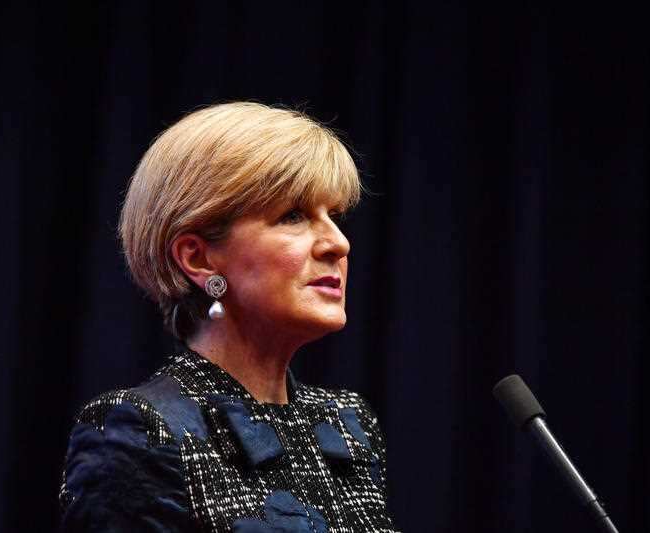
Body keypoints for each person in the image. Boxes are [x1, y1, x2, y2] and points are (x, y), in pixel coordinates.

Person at [59, 102, 399, 532]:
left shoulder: (347, 424)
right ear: (199, 258)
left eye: (333, 216)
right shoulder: (139, 430)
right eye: (292, 216)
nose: (338, 243)